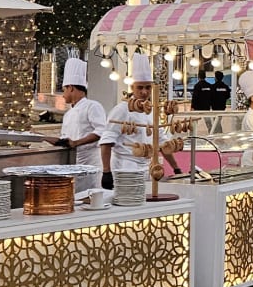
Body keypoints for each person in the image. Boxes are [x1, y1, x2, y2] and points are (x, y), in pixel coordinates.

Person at [99, 56, 179, 189]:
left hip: (148, 168)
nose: (144, 92)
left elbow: (162, 142)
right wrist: (106, 172)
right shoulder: (121, 110)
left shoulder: (151, 110)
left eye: (148, 87)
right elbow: (106, 142)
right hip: (126, 167)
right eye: (140, 87)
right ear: (132, 87)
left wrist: (176, 168)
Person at [52, 57, 107, 168]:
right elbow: (66, 140)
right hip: (72, 161)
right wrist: (41, 137)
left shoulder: (92, 106)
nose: (63, 95)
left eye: (64, 90)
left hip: (91, 163)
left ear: (71, 88)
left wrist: (76, 143)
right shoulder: (68, 114)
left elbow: (101, 131)